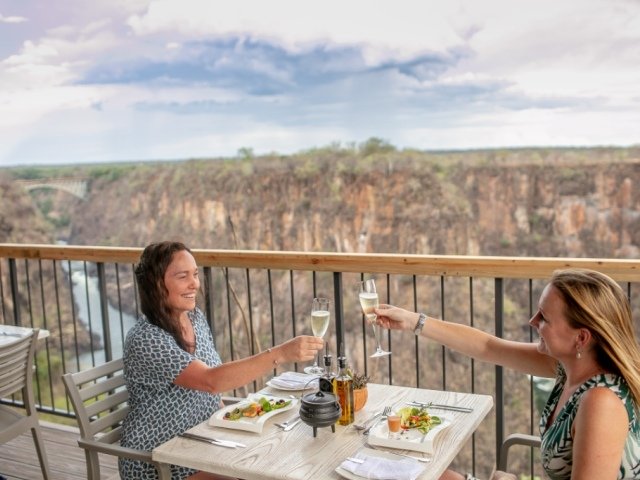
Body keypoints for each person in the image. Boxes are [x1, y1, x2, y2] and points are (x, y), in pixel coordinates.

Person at [374, 268, 640, 480]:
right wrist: (412, 321)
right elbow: (489, 347)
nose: (533, 321)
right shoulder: (567, 367)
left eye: (545, 317)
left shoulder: (601, 402)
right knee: (424, 474)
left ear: (581, 338)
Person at [119, 241, 324, 480]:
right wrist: (281, 353)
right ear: (156, 284)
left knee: (281, 460)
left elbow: (212, 385)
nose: (194, 283)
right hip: (160, 460)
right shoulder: (147, 339)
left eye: (195, 274)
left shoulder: (194, 317)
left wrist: (232, 425)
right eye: (182, 276)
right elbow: (210, 381)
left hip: (203, 441)